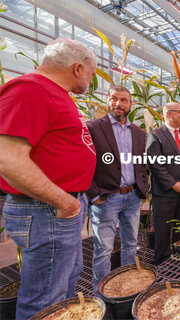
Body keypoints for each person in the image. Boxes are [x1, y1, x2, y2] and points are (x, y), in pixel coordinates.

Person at [0, 38, 97, 319]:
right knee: (45, 300)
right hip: (46, 210)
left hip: (58, 210)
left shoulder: (56, 94)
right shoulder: (30, 89)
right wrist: (65, 202)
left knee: (63, 286)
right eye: (92, 73)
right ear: (78, 68)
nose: (92, 80)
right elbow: (7, 157)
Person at [86, 86, 149, 295]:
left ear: (131, 105)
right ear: (108, 101)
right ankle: (102, 295)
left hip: (132, 197)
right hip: (107, 198)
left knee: (131, 243)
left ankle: (127, 288)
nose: (118, 104)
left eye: (123, 100)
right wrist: (94, 194)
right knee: (103, 250)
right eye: (114, 99)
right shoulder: (94, 127)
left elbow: (142, 164)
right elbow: (86, 163)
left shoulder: (138, 132)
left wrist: (143, 187)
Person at [146, 103, 180, 264]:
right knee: (163, 229)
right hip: (165, 193)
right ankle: (162, 261)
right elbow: (155, 164)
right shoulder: (155, 135)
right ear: (168, 113)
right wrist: (172, 184)